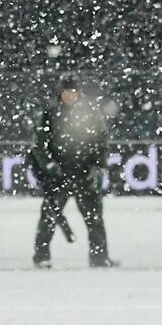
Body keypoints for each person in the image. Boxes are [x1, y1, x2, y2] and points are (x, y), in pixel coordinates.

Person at [29, 78, 118, 269]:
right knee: (49, 217)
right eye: (66, 92)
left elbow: (100, 143)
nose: (70, 95)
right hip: (59, 175)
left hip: (84, 173)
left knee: (94, 218)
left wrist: (99, 166)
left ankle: (99, 257)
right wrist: (50, 166)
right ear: (60, 94)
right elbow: (39, 146)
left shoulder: (91, 115)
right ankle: (41, 256)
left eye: (73, 91)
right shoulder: (49, 115)